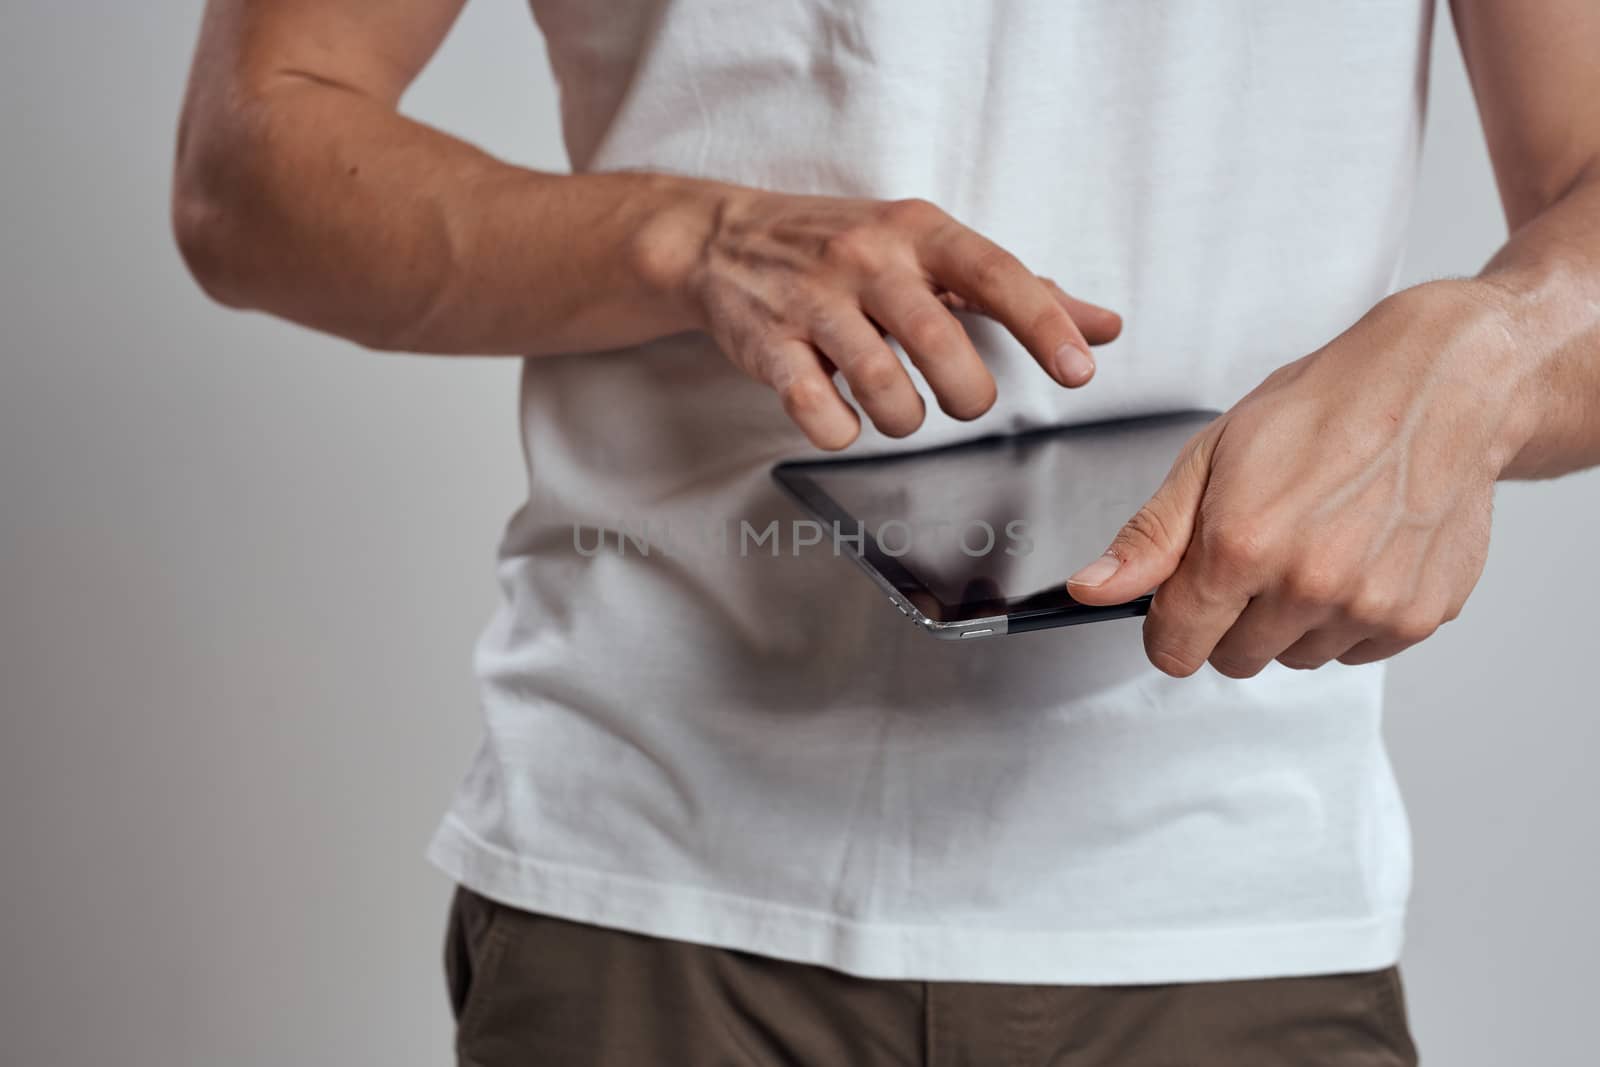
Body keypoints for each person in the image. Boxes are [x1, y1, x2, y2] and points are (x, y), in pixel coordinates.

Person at [173, 1, 1600, 1063]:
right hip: (652, 887)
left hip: (1231, 912)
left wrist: (1480, 360)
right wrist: (690, 233)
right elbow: (249, 160)